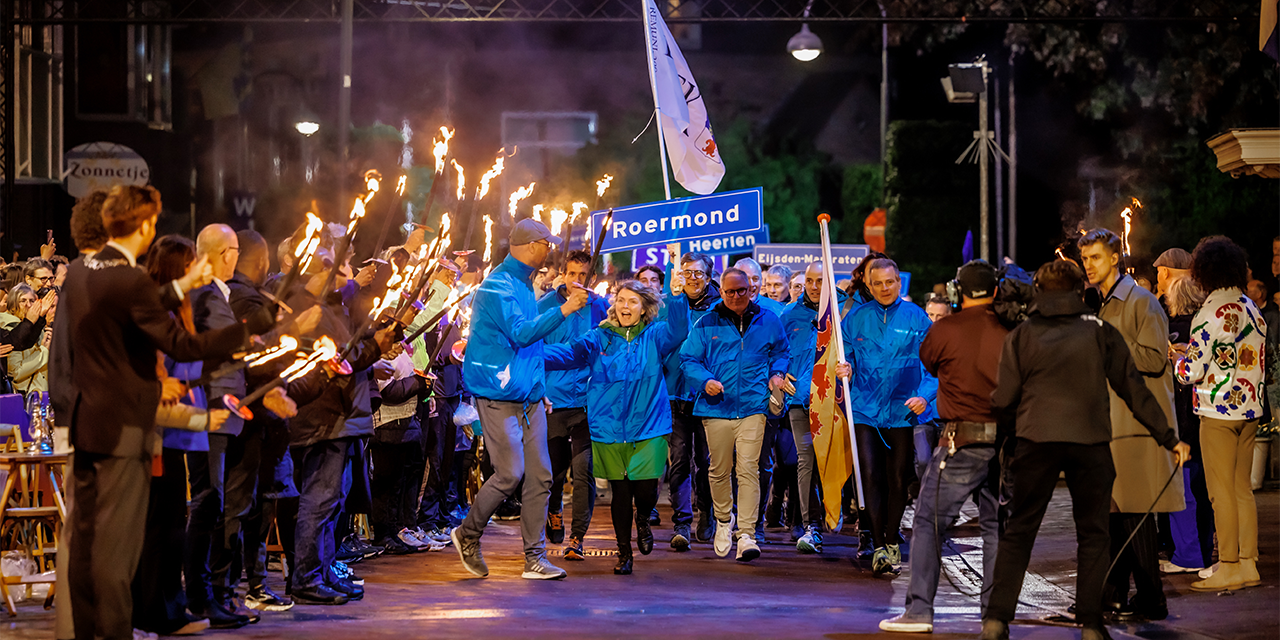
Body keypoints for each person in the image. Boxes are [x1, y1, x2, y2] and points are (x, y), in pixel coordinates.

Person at [52, 184, 264, 640]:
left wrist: (183, 285)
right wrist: (244, 333)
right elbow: (181, 344)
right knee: (117, 552)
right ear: (144, 225)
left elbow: (131, 307)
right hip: (126, 431)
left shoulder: (83, 270)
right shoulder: (128, 280)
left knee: (89, 545)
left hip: (90, 426)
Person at [983, 259, 1190, 640]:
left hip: (1035, 442)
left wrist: (1011, 435)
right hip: (1091, 443)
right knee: (1094, 535)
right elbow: (1134, 390)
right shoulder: (1100, 332)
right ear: (1082, 292)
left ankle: (997, 619)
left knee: (1019, 531)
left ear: (1039, 292)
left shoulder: (1022, 335)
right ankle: (1092, 623)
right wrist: (1169, 438)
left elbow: (1005, 398)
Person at [451, 218, 588, 581]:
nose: (551, 250)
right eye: (547, 244)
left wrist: (538, 388)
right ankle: (468, 533)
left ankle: (535, 558)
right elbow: (522, 334)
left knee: (541, 476)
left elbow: (531, 338)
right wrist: (565, 308)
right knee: (510, 474)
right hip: (498, 396)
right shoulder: (497, 286)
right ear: (531, 246)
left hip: (527, 397)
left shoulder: (524, 284)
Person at [879, 260, 1007, 634]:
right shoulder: (1010, 329)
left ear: (956, 293)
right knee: (996, 528)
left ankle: (919, 610)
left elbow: (930, 364)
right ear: (995, 291)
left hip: (961, 439)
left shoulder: (946, 329)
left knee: (928, 521)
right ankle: (995, 614)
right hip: (1005, 441)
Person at [544, 280, 688, 574]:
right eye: (621, 300)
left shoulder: (655, 335)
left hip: (649, 426)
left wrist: (677, 295)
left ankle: (644, 519)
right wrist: (528, 353)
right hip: (608, 428)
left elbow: (679, 330)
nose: (625, 306)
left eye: (633, 301)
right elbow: (569, 354)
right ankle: (624, 553)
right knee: (620, 493)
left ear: (645, 308)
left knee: (647, 490)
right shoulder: (600, 337)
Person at [1079, 228, 1184, 620]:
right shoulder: (1102, 303)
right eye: (1084, 258)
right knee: (1116, 512)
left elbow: (1155, 358)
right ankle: (1115, 593)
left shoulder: (1140, 302)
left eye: (1095, 258)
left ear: (1115, 259)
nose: (1088, 266)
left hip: (1137, 426)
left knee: (1133, 512)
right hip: (1113, 423)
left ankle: (1149, 597)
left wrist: (1104, 341)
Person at [1174, 236, 1267, 592]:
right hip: (1250, 408)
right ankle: (1248, 563)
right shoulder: (1250, 308)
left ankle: (1227, 564)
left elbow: (1192, 371)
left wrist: (1177, 360)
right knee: (1242, 489)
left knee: (1220, 492)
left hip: (1218, 412)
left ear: (1202, 272)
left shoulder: (1209, 313)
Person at [679, 268, 789, 562]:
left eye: (742, 290)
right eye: (730, 291)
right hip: (716, 408)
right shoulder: (706, 323)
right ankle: (724, 521)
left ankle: (747, 533)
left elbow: (781, 352)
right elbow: (688, 359)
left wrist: (777, 374)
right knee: (719, 469)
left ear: (751, 290)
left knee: (749, 469)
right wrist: (705, 381)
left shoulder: (769, 321)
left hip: (754, 407)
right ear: (722, 291)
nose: (736, 296)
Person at [841, 257, 936, 575]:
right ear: (868, 284)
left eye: (890, 282)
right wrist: (845, 368)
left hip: (903, 411)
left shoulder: (917, 317)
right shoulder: (855, 319)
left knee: (898, 479)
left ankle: (892, 536)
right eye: (878, 283)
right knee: (869, 476)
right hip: (865, 409)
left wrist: (924, 395)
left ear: (899, 282)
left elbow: (936, 365)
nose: (885, 288)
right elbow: (843, 358)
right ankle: (880, 544)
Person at [537, 250, 610, 558]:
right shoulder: (544, 307)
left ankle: (577, 538)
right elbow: (534, 351)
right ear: (562, 275)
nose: (578, 281)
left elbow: (606, 347)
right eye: (572, 274)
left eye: (584, 275)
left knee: (584, 473)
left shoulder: (600, 306)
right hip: (553, 402)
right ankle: (554, 508)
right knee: (553, 473)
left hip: (587, 403)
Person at [664, 251, 721, 549]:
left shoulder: (719, 308)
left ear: (708, 277)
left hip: (706, 396)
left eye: (698, 274)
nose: (692, 279)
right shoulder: (672, 302)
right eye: (686, 273)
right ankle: (681, 522)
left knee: (706, 461)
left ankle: (706, 512)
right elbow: (669, 337)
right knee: (679, 461)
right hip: (676, 394)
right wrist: (673, 299)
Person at [779, 261, 836, 553]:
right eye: (810, 281)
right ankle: (811, 526)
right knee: (805, 460)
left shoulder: (844, 312)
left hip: (835, 403)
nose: (814, 287)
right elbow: (774, 351)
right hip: (800, 403)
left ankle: (841, 516)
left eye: (820, 281)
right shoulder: (789, 314)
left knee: (834, 461)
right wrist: (777, 373)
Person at [1161, 275, 1214, 575]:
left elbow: (1185, 372)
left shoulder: (1174, 332)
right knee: (1204, 491)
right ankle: (1203, 552)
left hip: (1182, 419)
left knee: (1183, 490)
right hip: (1205, 415)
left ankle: (1188, 554)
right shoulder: (1204, 325)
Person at [4, 284, 51, 393]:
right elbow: (16, 373)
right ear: (13, 305)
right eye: (23, 301)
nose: (28, 305)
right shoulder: (10, 329)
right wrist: (44, 350)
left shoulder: (38, 327)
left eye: (31, 301)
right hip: (26, 396)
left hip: (43, 392)